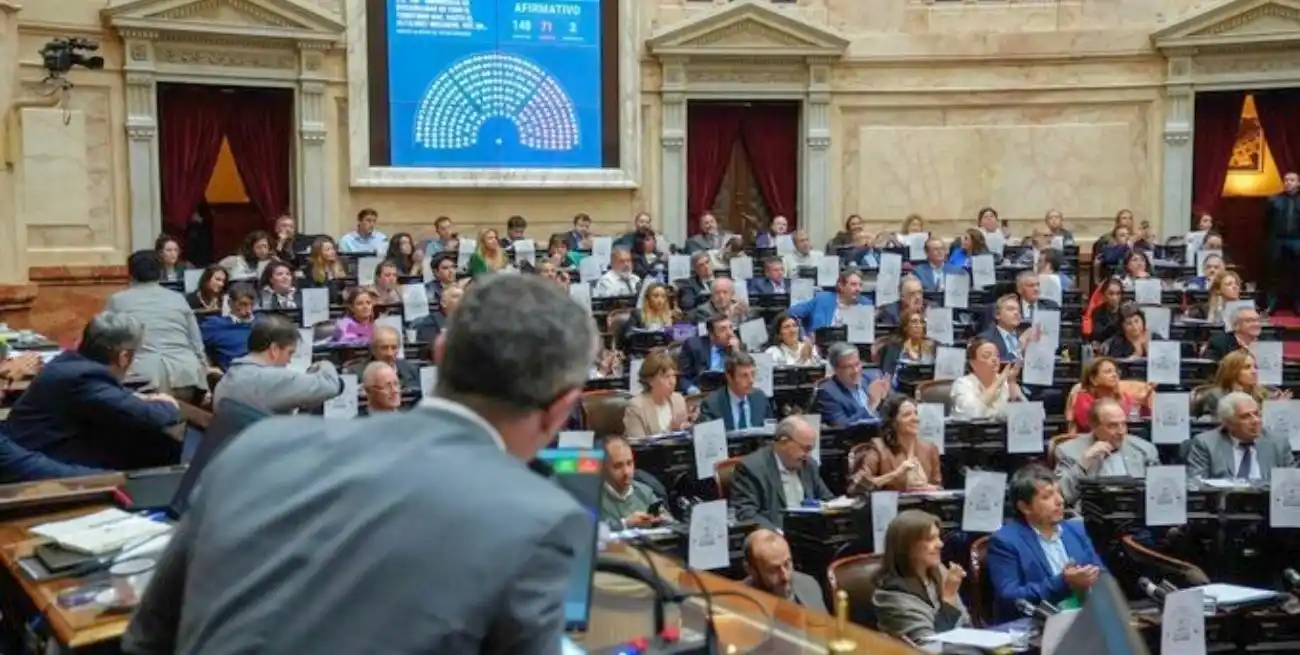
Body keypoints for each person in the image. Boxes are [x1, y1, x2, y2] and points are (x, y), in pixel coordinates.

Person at [122, 274, 599, 654]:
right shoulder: (538, 518)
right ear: (563, 407)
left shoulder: (258, 446)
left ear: (439, 354)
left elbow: (147, 639)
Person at [6, 313, 183, 470]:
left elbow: (111, 397)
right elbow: (155, 416)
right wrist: (167, 403)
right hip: (35, 462)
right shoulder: (84, 377)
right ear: (124, 357)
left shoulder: (69, 363)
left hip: (34, 447)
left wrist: (132, 397)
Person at [986, 464, 1106, 623]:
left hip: (1087, 619)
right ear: (1025, 507)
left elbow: (1103, 575)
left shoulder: (1077, 530)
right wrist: (1064, 582)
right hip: (1039, 625)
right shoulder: (1005, 541)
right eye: (1047, 496)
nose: (1060, 501)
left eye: (1059, 492)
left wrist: (1090, 580)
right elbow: (1009, 596)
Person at [106, 250, 214, 402]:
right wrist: (205, 380)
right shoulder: (178, 299)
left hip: (140, 378)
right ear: (160, 272)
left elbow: (107, 343)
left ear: (130, 274)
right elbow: (196, 343)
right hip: (187, 376)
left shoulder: (117, 301)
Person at [212, 314, 343, 414]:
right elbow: (331, 385)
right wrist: (323, 364)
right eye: (290, 353)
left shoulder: (230, 376)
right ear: (274, 350)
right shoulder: (271, 378)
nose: (289, 361)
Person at [872, 510, 970, 643]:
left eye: (939, 537)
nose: (940, 544)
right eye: (930, 539)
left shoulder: (939, 571)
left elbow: (966, 624)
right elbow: (930, 646)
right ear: (907, 547)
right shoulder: (890, 596)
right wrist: (948, 598)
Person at [730, 416, 833, 531]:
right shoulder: (752, 468)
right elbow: (746, 514)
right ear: (784, 442)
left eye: (811, 449)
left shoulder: (808, 465)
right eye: (805, 448)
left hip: (810, 538)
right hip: (775, 539)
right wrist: (776, 534)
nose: (808, 455)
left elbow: (828, 501)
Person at [1055, 398, 1161, 506]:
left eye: (1123, 424)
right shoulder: (1069, 451)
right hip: (1090, 516)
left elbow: (1158, 493)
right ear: (1093, 425)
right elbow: (1062, 496)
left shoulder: (1144, 450)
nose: (1121, 431)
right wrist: (1083, 463)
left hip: (1135, 514)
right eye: (1113, 425)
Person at [1186, 391, 1295, 481]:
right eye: (1245, 417)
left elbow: (1292, 483)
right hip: (1224, 505)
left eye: (1257, 414)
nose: (1255, 421)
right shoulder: (1205, 444)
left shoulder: (1278, 444)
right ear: (1228, 423)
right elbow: (1196, 484)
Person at [847, 394, 941, 494]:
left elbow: (939, 487)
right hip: (891, 507)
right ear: (893, 422)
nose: (915, 419)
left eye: (916, 413)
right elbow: (856, 487)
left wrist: (930, 488)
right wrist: (895, 474)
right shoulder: (879, 448)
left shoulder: (930, 448)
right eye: (907, 415)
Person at [742, 529, 827, 612]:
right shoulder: (738, 608)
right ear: (750, 570)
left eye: (787, 564)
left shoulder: (808, 585)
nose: (785, 576)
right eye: (773, 570)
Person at [1192, 349, 1290, 418]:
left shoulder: (1266, 394)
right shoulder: (1215, 396)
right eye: (1247, 367)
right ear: (1232, 371)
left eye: (1255, 367)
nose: (1254, 371)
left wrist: (1279, 409)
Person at [599, 435, 667, 530]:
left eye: (629, 463)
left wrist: (664, 521)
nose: (626, 472)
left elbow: (673, 523)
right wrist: (626, 523)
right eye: (618, 466)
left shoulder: (645, 492)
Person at [815, 342, 890, 427]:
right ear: (835, 370)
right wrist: (870, 405)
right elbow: (842, 427)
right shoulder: (827, 393)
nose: (855, 370)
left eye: (857, 364)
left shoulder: (873, 377)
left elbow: (897, 407)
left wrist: (887, 398)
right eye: (848, 367)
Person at [1070, 356, 1152, 432]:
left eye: (1116, 371)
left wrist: (1144, 405)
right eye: (1108, 372)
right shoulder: (1083, 399)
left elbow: (1140, 423)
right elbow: (1092, 427)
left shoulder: (1125, 397)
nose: (1114, 375)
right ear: (1093, 379)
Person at [950, 338, 1024, 420]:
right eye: (986, 356)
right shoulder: (962, 384)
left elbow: (1025, 414)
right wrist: (999, 381)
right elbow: (972, 413)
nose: (994, 359)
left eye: (997, 355)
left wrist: (1012, 383)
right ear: (973, 363)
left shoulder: (1007, 381)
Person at [698, 352, 773, 431]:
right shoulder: (712, 405)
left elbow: (770, 432)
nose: (751, 380)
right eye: (744, 376)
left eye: (753, 374)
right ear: (729, 377)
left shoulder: (760, 398)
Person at [622, 351, 690, 439]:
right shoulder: (636, 407)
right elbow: (639, 445)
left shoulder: (678, 400)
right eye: (666, 377)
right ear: (650, 380)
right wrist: (671, 430)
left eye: (674, 376)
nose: (672, 382)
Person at [788, 268, 871, 334]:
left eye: (860, 285)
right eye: (853, 284)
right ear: (841, 286)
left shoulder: (866, 304)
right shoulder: (822, 299)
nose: (858, 289)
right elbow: (791, 312)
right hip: (821, 345)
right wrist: (802, 335)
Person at [1264, 170, 1300, 314]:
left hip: (1297, 240)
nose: (1288, 183)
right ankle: (1271, 303)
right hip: (1277, 240)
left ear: (1298, 183)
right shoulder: (1273, 200)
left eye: (1292, 180)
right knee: (1273, 274)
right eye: (1286, 180)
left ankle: (1298, 304)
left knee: (1298, 273)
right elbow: (1266, 223)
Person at [199, 283, 257, 370]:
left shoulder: (262, 324)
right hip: (235, 375)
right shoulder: (214, 325)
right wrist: (207, 368)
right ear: (230, 303)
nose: (249, 310)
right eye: (243, 304)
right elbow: (192, 345)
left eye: (251, 305)